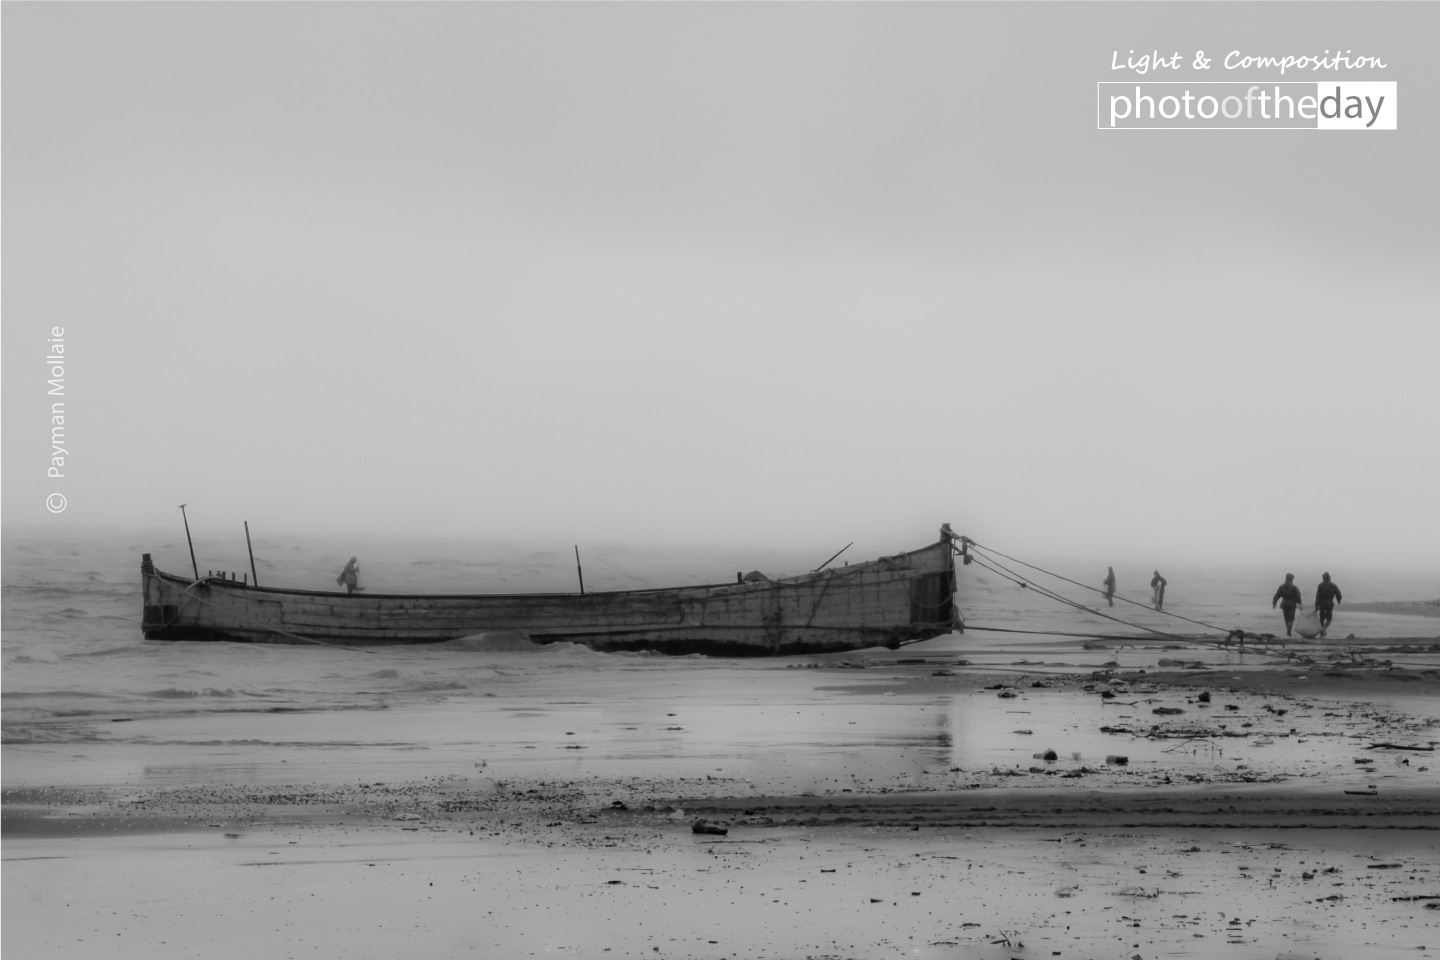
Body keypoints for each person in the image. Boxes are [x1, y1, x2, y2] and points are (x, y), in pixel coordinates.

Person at [1271, 573, 1303, 638]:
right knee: (1291, 619)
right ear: (1291, 579)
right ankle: (1288, 633)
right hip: (1292, 604)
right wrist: (1300, 604)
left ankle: (1288, 633)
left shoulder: (1281, 587)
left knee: (1286, 619)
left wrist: (1274, 603)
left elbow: (1276, 596)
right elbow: (1298, 597)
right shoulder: (1294, 587)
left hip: (1284, 604)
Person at [1314, 572, 1342, 637]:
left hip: (1322, 604)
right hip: (1329, 604)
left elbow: (1317, 596)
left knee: (1321, 618)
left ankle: (1322, 631)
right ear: (1329, 578)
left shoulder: (1320, 585)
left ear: (1323, 578)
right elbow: (1338, 593)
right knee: (1329, 618)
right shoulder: (1333, 585)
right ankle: (1324, 628)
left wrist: (1316, 606)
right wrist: (1339, 600)